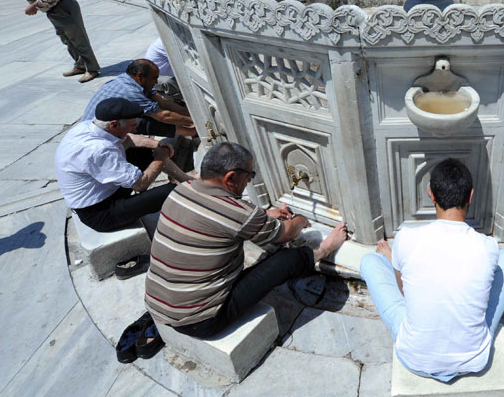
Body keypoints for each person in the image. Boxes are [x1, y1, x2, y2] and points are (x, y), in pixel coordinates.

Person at [145, 142, 348, 336]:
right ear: (231, 178)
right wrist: (301, 220)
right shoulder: (239, 215)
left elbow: (221, 219)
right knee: (289, 259)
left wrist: (263, 216)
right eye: (250, 175)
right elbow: (286, 234)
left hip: (159, 306)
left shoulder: (181, 190)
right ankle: (325, 249)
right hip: (202, 321)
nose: (250, 181)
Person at [359, 158, 504, 381]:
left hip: (415, 359)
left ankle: (394, 262)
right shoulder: (488, 247)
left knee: (369, 262)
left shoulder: (406, 237)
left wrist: (392, 256)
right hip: (474, 360)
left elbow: (404, 292)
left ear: (431, 195)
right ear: (471, 196)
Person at [56, 98, 192, 233]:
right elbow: (140, 184)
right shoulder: (99, 150)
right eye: (132, 125)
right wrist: (161, 158)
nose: (135, 128)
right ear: (114, 125)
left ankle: (187, 180)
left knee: (145, 152)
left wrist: (156, 145)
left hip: (106, 191)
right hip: (100, 213)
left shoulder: (89, 126)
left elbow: (129, 138)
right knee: (172, 192)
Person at [81, 59, 195, 138]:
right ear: (140, 76)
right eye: (154, 78)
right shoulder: (131, 91)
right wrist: (196, 122)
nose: (156, 82)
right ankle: (192, 131)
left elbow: (163, 102)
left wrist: (190, 114)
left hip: (107, 124)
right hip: (96, 132)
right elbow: (164, 116)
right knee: (144, 121)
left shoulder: (131, 80)